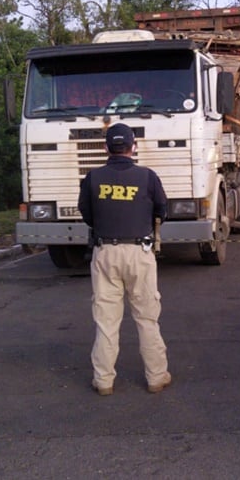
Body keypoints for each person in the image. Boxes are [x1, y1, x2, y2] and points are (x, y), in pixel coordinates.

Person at [77, 122, 171, 396]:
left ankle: (104, 380)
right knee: (146, 318)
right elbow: (162, 210)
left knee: (106, 321)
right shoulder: (148, 177)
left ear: (106, 148)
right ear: (134, 147)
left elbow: (86, 214)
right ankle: (156, 376)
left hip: (105, 252)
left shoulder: (92, 178)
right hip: (139, 254)